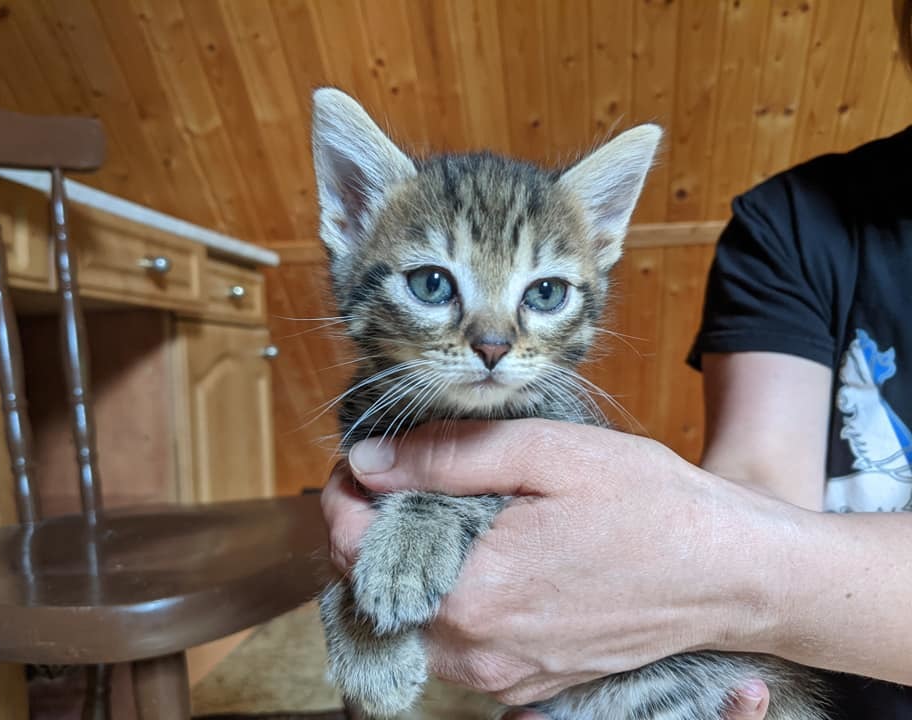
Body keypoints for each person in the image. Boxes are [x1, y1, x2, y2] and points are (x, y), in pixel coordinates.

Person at [321, 2, 912, 716]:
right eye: (431, 283)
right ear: (352, 215)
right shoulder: (793, 226)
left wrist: (428, 516)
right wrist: (354, 597)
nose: (493, 342)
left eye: (543, 293)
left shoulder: (558, 420)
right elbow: (759, 487)